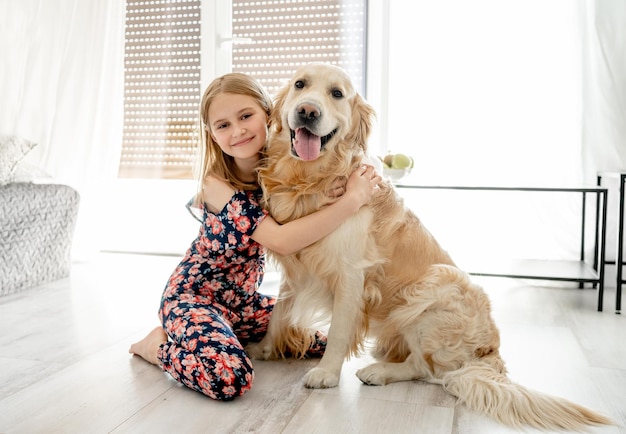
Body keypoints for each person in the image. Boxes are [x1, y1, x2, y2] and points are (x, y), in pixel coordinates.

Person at [129, 72, 381, 400]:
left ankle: (218, 335)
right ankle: (156, 347)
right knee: (229, 378)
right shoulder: (215, 186)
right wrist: (351, 200)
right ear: (212, 135)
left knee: (316, 342)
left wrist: (358, 177)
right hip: (194, 298)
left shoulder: (279, 167)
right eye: (223, 125)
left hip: (243, 304)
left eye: (246, 116)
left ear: (270, 113)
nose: (238, 131)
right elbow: (281, 240)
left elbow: (348, 157)